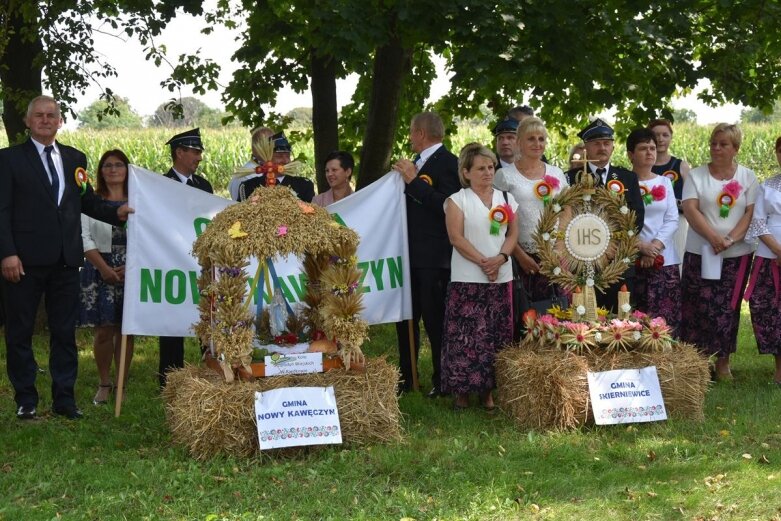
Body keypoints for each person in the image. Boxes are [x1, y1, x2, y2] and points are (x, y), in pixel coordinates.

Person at [0, 95, 132, 420]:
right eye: (39, 116)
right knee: (19, 333)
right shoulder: (9, 160)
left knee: (64, 332)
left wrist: (119, 211)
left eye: (52, 115)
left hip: (66, 262)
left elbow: (86, 202)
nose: (46, 120)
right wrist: (7, 253)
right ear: (29, 121)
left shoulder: (75, 158)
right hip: (23, 262)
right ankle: (26, 399)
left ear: (60, 121)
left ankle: (64, 399)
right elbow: (1, 211)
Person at [441, 143, 518, 410]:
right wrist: (484, 262)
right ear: (466, 172)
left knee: (496, 335)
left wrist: (501, 259)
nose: (487, 172)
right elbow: (456, 238)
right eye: (480, 168)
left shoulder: (507, 199)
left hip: (501, 277)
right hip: (467, 278)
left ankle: (488, 392)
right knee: (466, 337)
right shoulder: (457, 200)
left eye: (490, 167)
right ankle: (462, 392)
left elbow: (512, 235)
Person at [391, 112, 461, 397]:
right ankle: (408, 378)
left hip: (434, 257)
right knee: (405, 319)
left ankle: (441, 379)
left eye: (411, 132)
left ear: (420, 133)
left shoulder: (449, 163)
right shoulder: (413, 163)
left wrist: (413, 181)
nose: (409, 138)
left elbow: (447, 206)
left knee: (434, 321)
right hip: (405, 254)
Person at [681, 123, 757, 381]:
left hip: (737, 254)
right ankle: (697, 362)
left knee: (728, 308)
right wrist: (714, 238)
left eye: (723, 144)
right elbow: (690, 209)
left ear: (735, 148)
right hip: (699, 251)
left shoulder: (747, 177)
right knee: (697, 306)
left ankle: (723, 362)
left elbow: (750, 212)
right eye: (714, 142)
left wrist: (730, 240)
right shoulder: (697, 176)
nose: (716, 148)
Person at [493, 116, 567, 337]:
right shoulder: (504, 175)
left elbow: (567, 209)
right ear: (519, 143)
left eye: (542, 139)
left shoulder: (556, 173)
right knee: (522, 317)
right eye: (531, 139)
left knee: (556, 316)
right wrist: (519, 254)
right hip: (518, 257)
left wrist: (559, 248)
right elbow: (498, 219)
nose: (537, 144)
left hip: (553, 257)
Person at [565, 118, 645, 311]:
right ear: (586, 147)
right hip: (583, 259)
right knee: (584, 319)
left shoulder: (627, 177)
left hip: (619, 261)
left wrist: (613, 245)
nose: (602, 148)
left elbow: (637, 216)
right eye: (596, 143)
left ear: (613, 147)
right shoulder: (571, 178)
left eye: (606, 143)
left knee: (620, 321)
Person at [77, 150, 134, 405]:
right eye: (107, 165)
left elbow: (147, 238)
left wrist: (130, 265)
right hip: (99, 267)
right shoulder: (91, 200)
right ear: (100, 171)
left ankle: (122, 381)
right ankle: (104, 382)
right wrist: (104, 269)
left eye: (118, 164)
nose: (113, 169)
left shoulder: (137, 201)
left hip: (131, 268)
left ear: (126, 169)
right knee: (103, 331)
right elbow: (84, 238)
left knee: (126, 330)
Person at [159, 128, 213, 387]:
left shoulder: (204, 186)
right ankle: (170, 379)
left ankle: (211, 373)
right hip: (171, 261)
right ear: (179, 153)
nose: (199, 158)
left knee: (206, 316)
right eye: (195, 152)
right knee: (171, 319)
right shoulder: (159, 184)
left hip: (199, 262)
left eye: (199, 152)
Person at [626, 129, 681, 334]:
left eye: (652, 148)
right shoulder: (622, 183)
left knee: (665, 317)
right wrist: (642, 247)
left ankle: (667, 362)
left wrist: (654, 247)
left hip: (664, 259)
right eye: (643, 148)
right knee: (636, 317)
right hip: (632, 258)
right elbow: (620, 222)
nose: (649, 152)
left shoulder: (665, 182)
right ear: (631, 154)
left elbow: (672, 219)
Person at [744, 136, 781, 385]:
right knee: (771, 312)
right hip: (770, 258)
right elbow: (758, 222)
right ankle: (779, 368)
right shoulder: (767, 187)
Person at [649, 118, 691, 267]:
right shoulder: (643, 166)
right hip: (650, 223)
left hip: (677, 223)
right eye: (656, 135)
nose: (660, 139)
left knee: (676, 262)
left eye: (665, 135)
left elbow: (692, 200)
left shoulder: (681, 166)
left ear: (671, 138)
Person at [238, 132, 315, 202]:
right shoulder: (248, 186)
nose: (285, 161)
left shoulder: (304, 185)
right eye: (279, 156)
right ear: (267, 158)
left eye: (288, 156)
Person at [228, 126, 274, 201]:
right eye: (271, 144)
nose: (274, 148)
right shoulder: (247, 175)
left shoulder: (270, 170)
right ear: (256, 147)